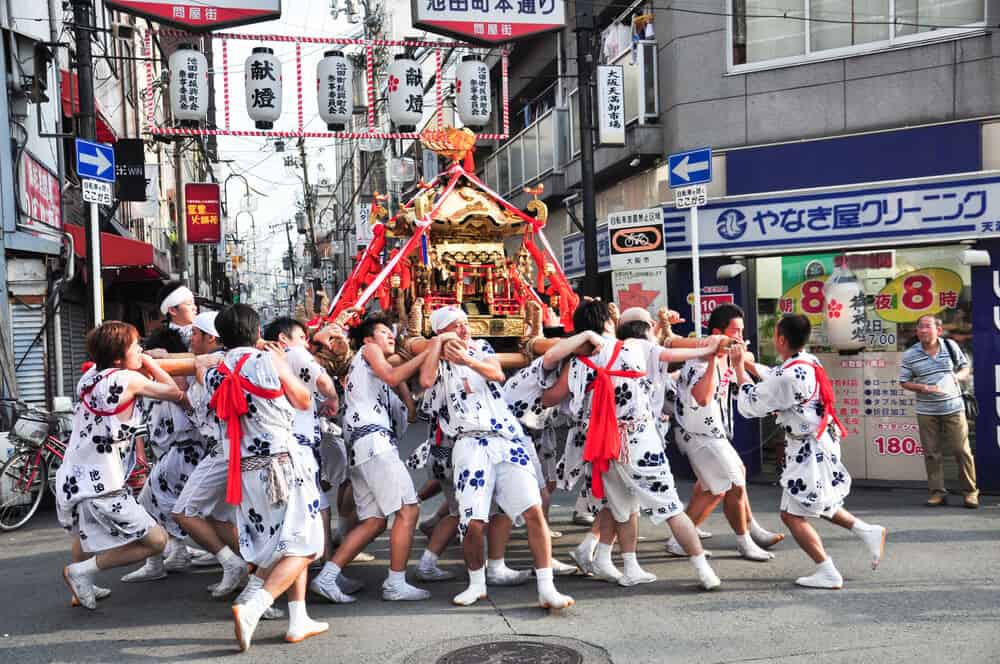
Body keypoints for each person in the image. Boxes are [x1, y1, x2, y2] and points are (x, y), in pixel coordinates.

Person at [542, 300, 722, 590]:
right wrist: (708, 349)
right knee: (671, 508)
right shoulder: (634, 347)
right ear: (609, 323)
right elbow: (671, 352)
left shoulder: (579, 362)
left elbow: (551, 397)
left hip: (605, 444)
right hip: (641, 439)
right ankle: (703, 571)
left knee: (622, 508)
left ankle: (630, 567)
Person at [419, 306, 574, 609]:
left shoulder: (481, 348)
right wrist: (438, 344)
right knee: (472, 521)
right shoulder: (435, 357)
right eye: (455, 326)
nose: (464, 329)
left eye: (465, 323)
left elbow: (496, 373)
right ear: (441, 332)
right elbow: (425, 381)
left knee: (533, 510)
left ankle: (547, 587)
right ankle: (476, 584)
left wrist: (466, 358)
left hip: (506, 439)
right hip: (468, 444)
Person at [734, 314, 888, 589]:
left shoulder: (788, 375)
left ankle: (827, 570)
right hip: (819, 442)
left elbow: (752, 403)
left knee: (792, 514)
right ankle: (868, 531)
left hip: (808, 448)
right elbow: (775, 377)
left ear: (781, 339)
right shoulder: (806, 361)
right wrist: (749, 364)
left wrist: (737, 368)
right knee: (821, 501)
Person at [204, 304, 326, 649]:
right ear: (258, 332)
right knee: (307, 544)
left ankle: (298, 618)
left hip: (244, 469)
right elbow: (303, 399)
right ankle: (253, 606)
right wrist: (283, 366)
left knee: (282, 542)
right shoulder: (267, 360)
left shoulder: (217, 369)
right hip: (283, 464)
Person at [58, 321, 185, 609]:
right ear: (118, 357)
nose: (140, 349)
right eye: (135, 346)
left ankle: (80, 588)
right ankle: (82, 572)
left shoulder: (89, 377)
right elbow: (173, 392)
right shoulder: (126, 380)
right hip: (104, 480)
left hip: (74, 474)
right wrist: (152, 364)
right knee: (157, 541)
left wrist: (139, 361)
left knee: (82, 531)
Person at [310, 313, 434, 603]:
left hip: (363, 445)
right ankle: (395, 583)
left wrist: (402, 379)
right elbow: (392, 374)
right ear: (367, 340)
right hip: (373, 443)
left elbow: (401, 393)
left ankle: (327, 578)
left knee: (374, 521)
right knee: (408, 510)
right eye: (383, 332)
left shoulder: (367, 369)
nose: (390, 336)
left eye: (392, 333)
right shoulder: (368, 351)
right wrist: (430, 349)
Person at [666, 304, 782, 562]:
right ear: (718, 333)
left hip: (712, 434)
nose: (740, 336)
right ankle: (745, 540)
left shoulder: (730, 356)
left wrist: (744, 363)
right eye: (735, 331)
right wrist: (712, 363)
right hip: (699, 437)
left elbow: (757, 375)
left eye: (741, 331)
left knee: (715, 486)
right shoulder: (699, 361)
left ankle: (681, 538)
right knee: (733, 485)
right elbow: (703, 397)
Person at [170, 312, 257, 602]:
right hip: (226, 449)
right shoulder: (210, 363)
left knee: (184, 512)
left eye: (196, 333)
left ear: (213, 338)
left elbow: (183, 393)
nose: (191, 338)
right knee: (220, 517)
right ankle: (250, 572)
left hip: (225, 450)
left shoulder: (221, 364)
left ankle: (235, 564)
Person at [123, 327, 201, 582]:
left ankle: (161, 559)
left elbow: (180, 393)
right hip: (177, 450)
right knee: (164, 504)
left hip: (184, 448)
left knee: (150, 503)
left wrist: (161, 363)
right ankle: (176, 552)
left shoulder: (179, 373)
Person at [899, 315, 979, 508]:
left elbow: (965, 368)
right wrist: (921, 388)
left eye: (928, 327)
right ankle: (937, 492)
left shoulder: (950, 346)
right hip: (927, 410)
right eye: (920, 327)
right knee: (932, 453)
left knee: (962, 450)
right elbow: (903, 381)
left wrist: (957, 377)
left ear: (938, 330)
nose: (923, 330)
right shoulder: (910, 354)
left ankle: (970, 492)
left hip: (953, 407)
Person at [157, 281, 198, 347]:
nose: (195, 308)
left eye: (194, 303)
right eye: (189, 304)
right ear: (173, 311)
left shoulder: (204, 332)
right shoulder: (160, 342)